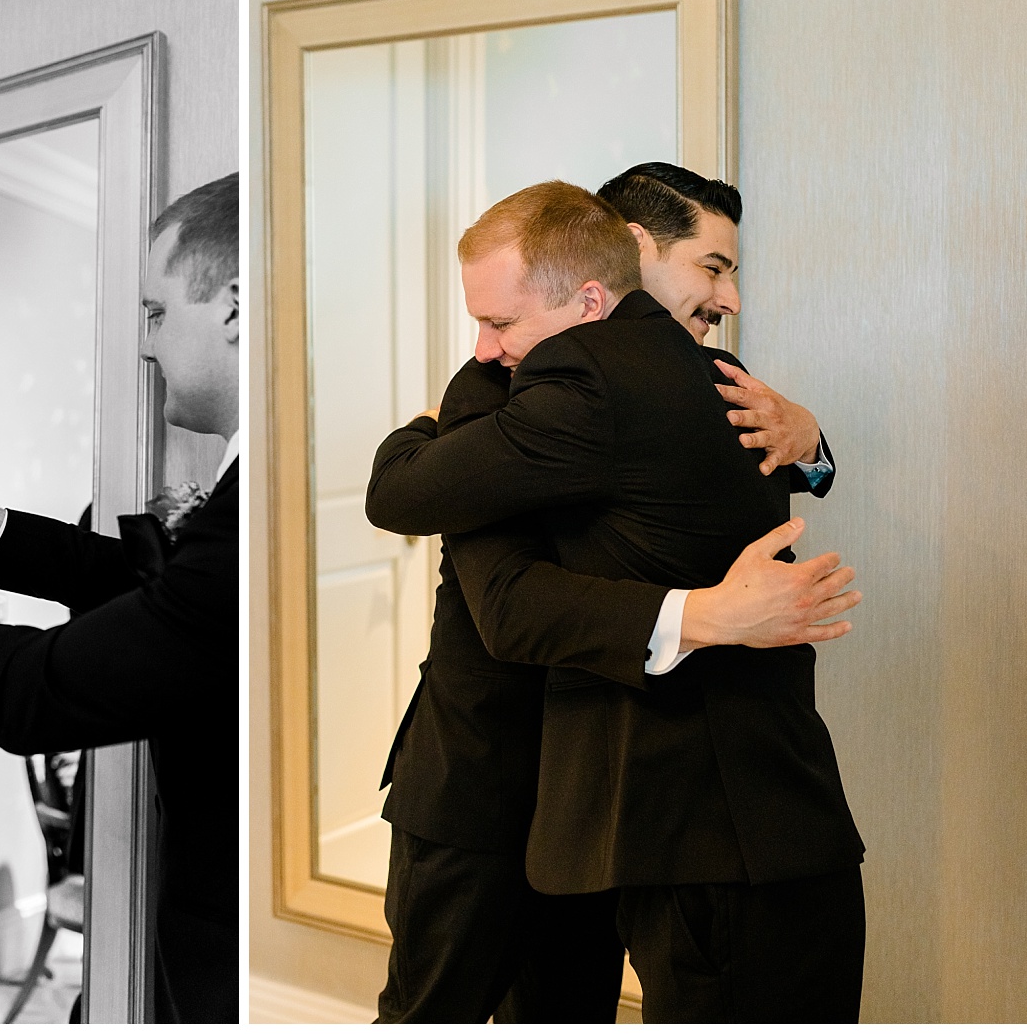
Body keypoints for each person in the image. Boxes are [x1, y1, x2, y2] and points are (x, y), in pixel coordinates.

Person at [366, 176, 865, 1022]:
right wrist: (702, 614)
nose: (727, 298)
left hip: (608, 797)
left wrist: (812, 445)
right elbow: (483, 575)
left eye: (497, 324)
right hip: (486, 773)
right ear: (634, 252)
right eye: (712, 268)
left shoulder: (713, 382)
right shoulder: (513, 378)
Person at [0, 172, 240, 1023]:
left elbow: (34, 692)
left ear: (235, 306)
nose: (145, 344)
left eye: (158, 312)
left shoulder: (250, 507)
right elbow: (161, 591)